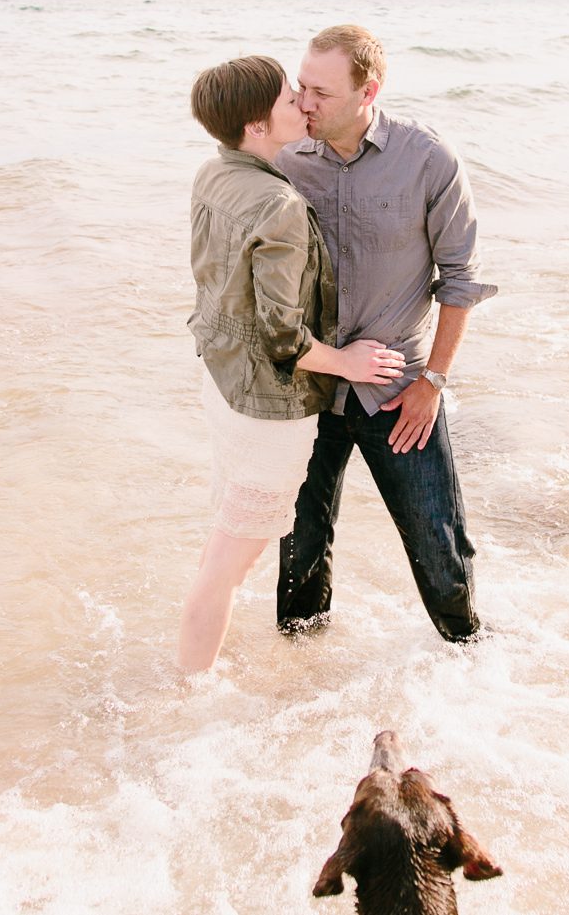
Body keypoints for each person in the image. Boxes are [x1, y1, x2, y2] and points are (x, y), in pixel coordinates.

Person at [178, 55, 408, 673]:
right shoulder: (279, 203)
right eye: (288, 100)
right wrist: (349, 362)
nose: (303, 105)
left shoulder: (214, 172)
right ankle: (186, 694)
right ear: (257, 125)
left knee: (225, 538)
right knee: (233, 561)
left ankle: (190, 672)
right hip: (264, 405)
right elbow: (284, 337)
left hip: (221, 380)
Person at [276, 25, 498, 643]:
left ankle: (471, 669)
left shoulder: (428, 158)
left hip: (397, 390)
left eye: (320, 92)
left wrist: (433, 381)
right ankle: (295, 686)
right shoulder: (288, 159)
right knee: (299, 552)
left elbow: (460, 280)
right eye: (301, 86)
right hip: (310, 385)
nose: (303, 102)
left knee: (438, 544)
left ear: (367, 90)